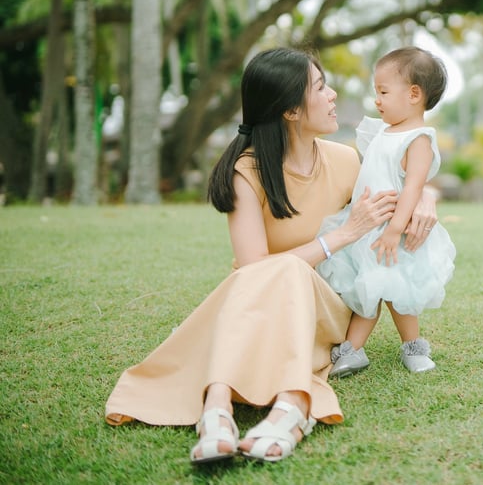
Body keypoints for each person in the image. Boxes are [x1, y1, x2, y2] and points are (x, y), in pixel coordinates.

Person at [105, 47, 439, 465]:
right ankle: (218, 410)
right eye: (320, 87)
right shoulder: (246, 172)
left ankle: (287, 408)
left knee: (293, 273)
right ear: (291, 111)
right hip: (253, 303)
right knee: (281, 271)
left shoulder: (345, 160)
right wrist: (343, 235)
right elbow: (254, 268)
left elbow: (406, 176)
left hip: (320, 308)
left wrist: (425, 198)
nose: (333, 94)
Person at [319, 47, 456, 377]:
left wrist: (394, 230)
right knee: (368, 290)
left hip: (394, 230)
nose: (377, 100)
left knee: (396, 291)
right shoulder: (381, 130)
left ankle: (411, 347)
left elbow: (413, 188)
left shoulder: (418, 139)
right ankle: (353, 350)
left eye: (383, 92)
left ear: (413, 94)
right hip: (365, 226)